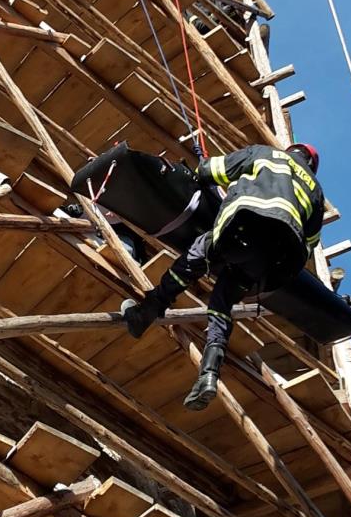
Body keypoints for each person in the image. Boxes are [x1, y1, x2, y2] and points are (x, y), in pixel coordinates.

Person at [121, 142, 324, 410]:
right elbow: (310, 242)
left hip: (244, 226)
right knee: (222, 302)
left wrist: (202, 161)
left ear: (291, 150)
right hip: (273, 261)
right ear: (311, 164)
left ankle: (147, 310)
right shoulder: (316, 192)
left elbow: (211, 170)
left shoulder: (266, 154)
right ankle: (208, 375)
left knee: (194, 259)